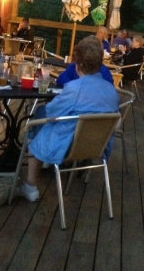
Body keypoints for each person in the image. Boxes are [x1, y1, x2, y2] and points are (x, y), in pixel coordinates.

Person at [17, 37, 120, 201]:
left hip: (69, 146)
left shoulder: (74, 88)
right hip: (98, 146)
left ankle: (31, 187)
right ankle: (44, 160)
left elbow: (51, 112)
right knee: (43, 123)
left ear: (77, 65)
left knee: (37, 128)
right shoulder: (111, 91)